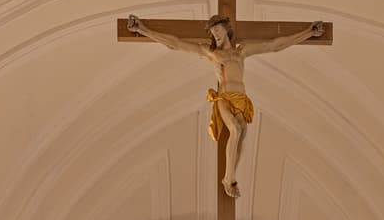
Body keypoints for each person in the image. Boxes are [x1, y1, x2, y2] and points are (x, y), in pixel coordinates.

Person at [125, 13, 326, 197]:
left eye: (218, 31)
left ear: (227, 30)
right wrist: (142, 30)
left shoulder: (242, 51)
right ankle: (228, 178)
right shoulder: (211, 53)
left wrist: (309, 33)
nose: (216, 35)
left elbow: (274, 45)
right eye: (213, 32)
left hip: (241, 97)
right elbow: (175, 43)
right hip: (224, 97)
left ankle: (230, 177)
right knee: (236, 131)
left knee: (243, 134)